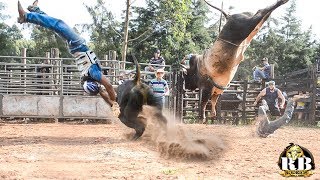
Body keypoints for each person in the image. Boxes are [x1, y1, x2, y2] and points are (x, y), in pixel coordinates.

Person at [17, 0, 116, 106]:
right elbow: (101, 91)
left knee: (58, 24)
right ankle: (35, 10)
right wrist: (111, 104)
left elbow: (109, 86)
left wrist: (115, 104)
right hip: (75, 48)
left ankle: (26, 17)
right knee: (55, 27)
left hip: (78, 45)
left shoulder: (94, 73)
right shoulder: (88, 76)